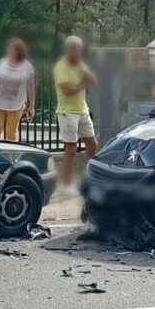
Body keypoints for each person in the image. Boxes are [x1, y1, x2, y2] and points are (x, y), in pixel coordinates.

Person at [54, 35, 98, 196]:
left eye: (78, 49)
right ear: (67, 49)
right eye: (72, 48)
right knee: (71, 149)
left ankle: (94, 177)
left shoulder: (80, 65)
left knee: (92, 144)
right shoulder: (61, 67)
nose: (75, 51)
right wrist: (84, 84)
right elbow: (67, 90)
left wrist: (84, 72)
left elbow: (94, 80)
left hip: (82, 110)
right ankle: (65, 183)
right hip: (67, 112)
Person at [0, 38, 35, 142]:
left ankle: (10, 154)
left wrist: (32, 105)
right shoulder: (2, 62)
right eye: (9, 49)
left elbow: (31, 86)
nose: (10, 51)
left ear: (19, 51)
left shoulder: (27, 66)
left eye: (13, 49)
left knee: (11, 132)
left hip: (16, 105)